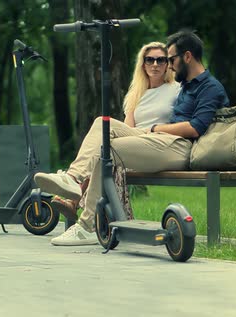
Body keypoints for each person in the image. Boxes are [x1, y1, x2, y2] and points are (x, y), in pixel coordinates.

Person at [36, 29, 230, 246]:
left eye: (171, 59)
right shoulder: (186, 86)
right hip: (161, 141)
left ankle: (86, 225)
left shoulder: (209, 87)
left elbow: (195, 128)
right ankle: (73, 180)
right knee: (103, 123)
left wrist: (156, 129)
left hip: (180, 148)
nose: (170, 65)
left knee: (106, 149)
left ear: (186, 57)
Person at [51, 41, 180, 224]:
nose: (155, 64)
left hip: (158, 144)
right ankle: (74, 201)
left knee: (102, 125)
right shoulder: (136, 94)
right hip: (135, 141)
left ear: (168, 64)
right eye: (150, 60)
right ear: (142, 64)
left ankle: (73, 183)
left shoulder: (176, 90)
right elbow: (127, 129)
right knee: (103, 141)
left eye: (161, 60)